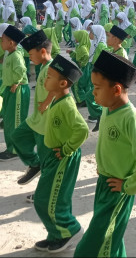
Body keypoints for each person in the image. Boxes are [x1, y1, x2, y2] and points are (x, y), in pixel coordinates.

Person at [74, 51, 136, 258]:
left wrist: (129, 186)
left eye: (97, 88)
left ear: (117, 89)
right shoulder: (108, 108)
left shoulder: (129, 117)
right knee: (111, 241)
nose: (93, 93)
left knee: (92, 246)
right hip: (104, 182)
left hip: (117, 190)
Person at [33, 54, 88, 253]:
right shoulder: (57, 99)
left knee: (52, 199)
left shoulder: (66, 104)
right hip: (52, 155)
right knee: (42, 198)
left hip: (63, 157)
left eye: (49, 77)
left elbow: (82, 130)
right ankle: (55, 234)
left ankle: (69, 230)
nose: (45, 79)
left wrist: (66, 149)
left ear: (63, 82)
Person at [12, 31, 54, 187]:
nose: (30, 58)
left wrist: (47, 102)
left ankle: (45, 192)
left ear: (42, 51)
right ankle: (35, 164)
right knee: (18, 136)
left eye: (30, 54)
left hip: (46, 122)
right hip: (37, 118)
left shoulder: (52, 67)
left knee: (48, 159)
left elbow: (61, 87)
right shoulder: (43, 66)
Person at [0, 26, 30, 161]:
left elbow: (22, 70)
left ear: (11, 43)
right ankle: (11, 146)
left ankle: (15, 150)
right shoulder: (9, 53)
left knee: (15, 121)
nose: (1, 43)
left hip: (17, 90)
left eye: (3, 40)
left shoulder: (16, 55)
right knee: (8, 119)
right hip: (10, 89)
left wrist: (16, 82)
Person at [85, 25, 108, 132]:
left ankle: (99, 115)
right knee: (94, 96)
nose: (89, 34)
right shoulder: (95, 44)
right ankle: (98, 116)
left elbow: (105, 61)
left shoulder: (101, 46)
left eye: (91, 32)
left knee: (90, 95)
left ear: (97, 34)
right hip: (95, 71)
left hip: (100, 75)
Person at [68, 30, 90, 108]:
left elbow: (86, 56)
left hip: (82, 69)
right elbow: (78, 55)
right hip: (85, 69)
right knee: (83, 85)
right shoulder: (82, 45)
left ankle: (81, 101)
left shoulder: (82, 48)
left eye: (77, 36)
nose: (75, 38)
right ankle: (84, 100)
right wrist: (71, 53)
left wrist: (82, 64)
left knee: (76, 84)